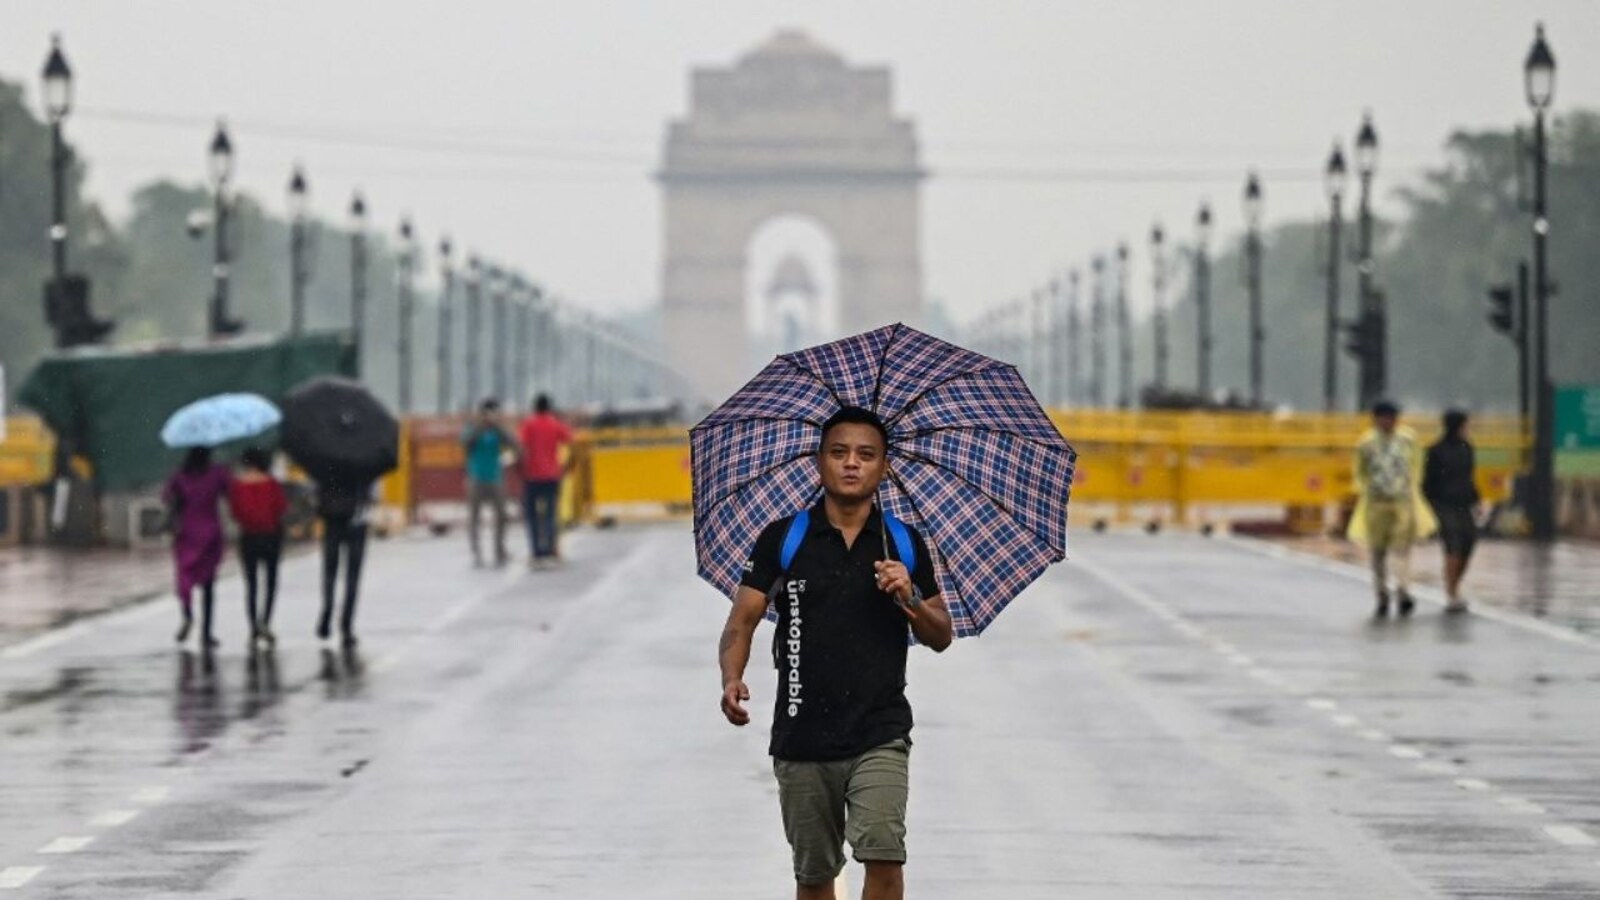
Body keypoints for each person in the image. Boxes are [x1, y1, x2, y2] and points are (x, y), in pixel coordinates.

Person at [718, 406, 954, 900]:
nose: (852, 464)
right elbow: (742, 620)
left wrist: (908, 595)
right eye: (839, 453)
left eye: (866, 455)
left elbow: (940, 634)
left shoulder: (903, 545)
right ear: (819, 463)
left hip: (880, 730)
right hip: (802, 733)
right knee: (815, 874)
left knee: (884, 853)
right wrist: (731, 678)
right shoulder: (785, 538)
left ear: (884, 467)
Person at [1348, 400, 1437, 618]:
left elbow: (1417, 464)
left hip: (1402, 502)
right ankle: (1381, 594)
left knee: (1401, 550)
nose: (1389, 421)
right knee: (1378, 552)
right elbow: (1359, 472)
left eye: (1393, 417)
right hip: (1376, 504)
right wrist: (1364, 489)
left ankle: (1403, 591)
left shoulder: (1408, 439)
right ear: (1376, 419)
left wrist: (1413, 487)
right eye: (1385, 417)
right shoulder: (1366, 443)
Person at [163, 446, 231, 647]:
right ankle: (207, 633)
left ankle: (187, 614)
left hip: (186, 533)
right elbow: (230, 492)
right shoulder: (217, 473)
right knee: (209, 585)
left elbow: (166, 496)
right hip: (210, 532)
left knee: (184, 575)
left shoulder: (179, 475)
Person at [228, 447, 289, 647]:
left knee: (251, 584)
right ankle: (266, 621)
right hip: (271, 536)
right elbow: (281, 508)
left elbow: (235, 512)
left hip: (249, 537)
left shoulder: (238, 485)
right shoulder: (271, 483)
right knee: (270, 581)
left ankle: (253, 626)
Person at [1424, 409, 1481, 614]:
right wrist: (1430, 504)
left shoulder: (1468, 449)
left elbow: (1470, 477)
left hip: (1464, 503)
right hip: (1443, 504)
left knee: (1469, 542)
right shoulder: (1435, 451)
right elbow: (1428, 481)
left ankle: (1455, 583)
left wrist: (1476, 500)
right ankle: (1451, 591)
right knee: (1453, 545)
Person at [315, 471, 376, 647]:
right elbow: (370, 491)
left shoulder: (327, 457)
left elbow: (319, 489)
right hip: (357, 518)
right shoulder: (364, 460)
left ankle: (327, 610)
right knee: (352, 576)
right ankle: (347, 625)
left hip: (332, 517)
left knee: (329, 572)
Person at [462, 398, 519, 567]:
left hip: (495, 477)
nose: (491, 417)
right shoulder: (472, 427)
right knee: (474, 517)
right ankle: (476, 552)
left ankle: (499, 550)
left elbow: (514, 444)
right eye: (489, 413)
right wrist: (480, 425)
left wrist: (498, 426)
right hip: (476, 477)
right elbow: (466, 443)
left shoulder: (498, 430)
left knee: (501, 515)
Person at [518, 393, 573, 569]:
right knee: (550, 515)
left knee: (533, 517)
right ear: (549, 407)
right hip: (552, 475)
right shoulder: (554, 424)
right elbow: (569, 438)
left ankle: (536, 552)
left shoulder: (528, 424)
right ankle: (550, 550)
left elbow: (521, 446)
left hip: (532, 476)